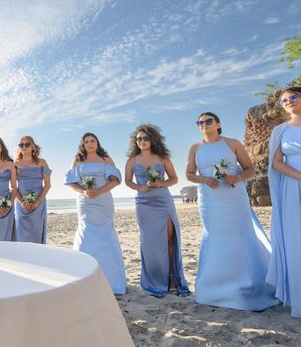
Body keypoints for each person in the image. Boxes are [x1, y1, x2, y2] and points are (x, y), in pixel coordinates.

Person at [185, 112, 277, 311]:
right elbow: (189, 174)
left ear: (218, 123)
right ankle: (215, 288)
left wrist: (237, 178)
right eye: (200, 122)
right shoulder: (195, 148)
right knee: (215, 236)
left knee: (240, 235)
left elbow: (250, 169)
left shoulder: (232, 143)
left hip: (234, 198)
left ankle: (248, 285)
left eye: (208, 121)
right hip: (210, 200)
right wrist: (205, 179)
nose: (204, 124)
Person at [124, 124, 190, 297]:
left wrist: (160, 183)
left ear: (152, 139)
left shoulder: (163, 158)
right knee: (150, 243)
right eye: (139, 139)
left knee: (169, 239)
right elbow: (128, 181)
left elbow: (174, 179)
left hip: (163, 201)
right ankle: (154, 280)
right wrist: (140, 187)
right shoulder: (132, 160)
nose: (142, 141)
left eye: (145, 138)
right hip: (143, 203)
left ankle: (171, 279)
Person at [64, 133, 126, 295]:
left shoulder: (105, 159)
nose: (90, 144)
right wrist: (84, 191)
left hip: (103, 201)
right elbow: (71, 181)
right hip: (85, 203)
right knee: (86, 235)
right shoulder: (78, 160)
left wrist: (98, 191)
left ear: (97, 143)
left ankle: (112, 281)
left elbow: (115, 180)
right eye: (86, 142)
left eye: (92, 141)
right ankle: (83, 278)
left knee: (105, 235)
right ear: (82, 144)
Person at [267, 87, 301, 317]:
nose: (288, 102)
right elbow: (276, 163)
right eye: (284, 100)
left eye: (293, 97)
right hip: (292, 186)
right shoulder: (280, 130)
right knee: (295, 238)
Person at [14, 136, 51, 244]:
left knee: (37, 232)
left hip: (38, 204)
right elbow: (13, 186)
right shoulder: (15, 164)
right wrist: (22, 202)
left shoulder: (42, 162)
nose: (24, 147)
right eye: (21, 145)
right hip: (21, 204)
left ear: (33, 147)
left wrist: (37, 202)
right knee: (21, 235)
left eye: (27, 144)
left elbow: (48, 185)